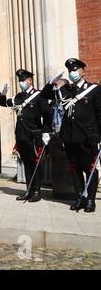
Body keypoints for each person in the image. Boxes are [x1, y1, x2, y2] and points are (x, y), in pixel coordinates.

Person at [41, 59, 101, 212]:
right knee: (75, 169)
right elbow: (45, 95)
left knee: (90, 169)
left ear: (83, 72)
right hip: (69, 137)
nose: (72, 73)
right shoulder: (67, 89)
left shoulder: (94, 89)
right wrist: (51, 82)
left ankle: (91, 200)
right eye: (70, 71)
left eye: (75, 70)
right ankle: (80, 197)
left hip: (88, 137)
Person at [0, 69, 53, 203]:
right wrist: (3, 94)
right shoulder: (19, 96)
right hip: (22, 135)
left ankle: (36, 191)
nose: (21, 83)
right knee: (27, 164)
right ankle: (29, 190)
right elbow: (5, 103)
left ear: (30, 81)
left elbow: (47, 113)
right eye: (20, 81)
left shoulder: (39, 95)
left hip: (34, 135)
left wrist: (46, 131)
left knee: (35, 163)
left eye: (23, 80)